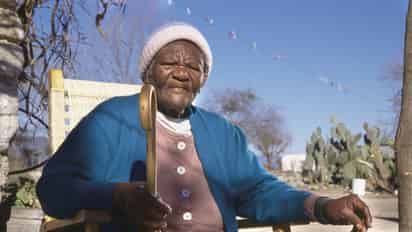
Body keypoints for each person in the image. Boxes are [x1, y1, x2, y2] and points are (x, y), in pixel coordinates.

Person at [36, 22, 372, 232]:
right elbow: (53, 189)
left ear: (203, 80)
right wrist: (117, 197)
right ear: (148, 73)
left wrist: (321, 206)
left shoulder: (223, 132)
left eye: (193, 68)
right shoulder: (111, 119)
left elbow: (257, 190)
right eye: (169, 62)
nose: (181, 72)